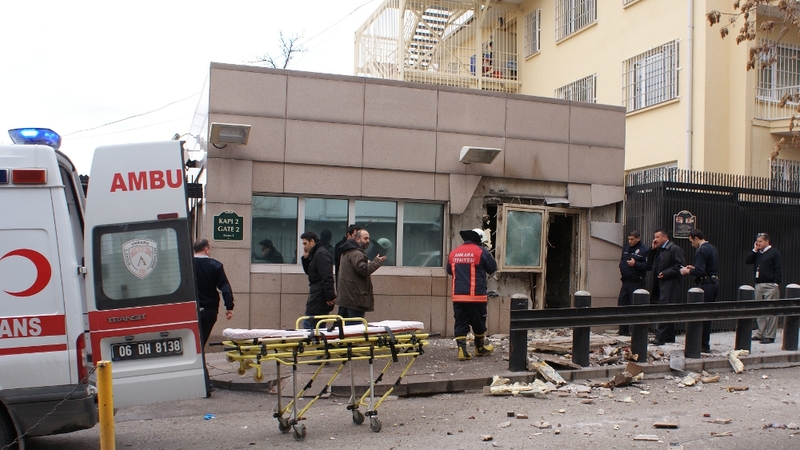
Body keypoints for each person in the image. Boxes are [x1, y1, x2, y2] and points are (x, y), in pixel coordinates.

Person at [447, 228, 498, 361]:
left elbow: (449, 270)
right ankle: (480, 348)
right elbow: (492, 268)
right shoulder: (481, 252)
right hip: (476, 296)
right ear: (479, 240)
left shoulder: (454, 253)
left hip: (458, 296)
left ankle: (462, 351)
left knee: (461, 321)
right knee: (479, 322)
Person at [679, 230, 720, 352]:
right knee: (708, 314)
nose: (692, 245)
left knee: (700, 314)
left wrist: (688, 271)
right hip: (714, 283)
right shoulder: (712, 248)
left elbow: (700, 271)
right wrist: (695, 268)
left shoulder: (701, 250)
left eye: (692, 241)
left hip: (706, 284)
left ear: (696, 238)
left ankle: (700, 344)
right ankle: (704, 343)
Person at [193, 239, 234, 348]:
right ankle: (199, 359)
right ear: (206, 249)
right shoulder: (215, 266)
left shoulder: (187, 264)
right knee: (202, 340)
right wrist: (229, 307)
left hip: (189, 309)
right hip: (208, 310)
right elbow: (225, 287)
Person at [647, 229, 685, 346]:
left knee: (664, 309)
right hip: (660, 284)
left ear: (665, 237)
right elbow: (649, 262)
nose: (655, 239)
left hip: (670, 285)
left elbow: (680, 265)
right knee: (668, 309)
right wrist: (652, 249)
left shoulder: (674, 249)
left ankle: (660, 337)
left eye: (658, 237)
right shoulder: (659, 250)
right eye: (655, 237)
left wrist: (666, 273)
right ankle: (669, 336)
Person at [337, 229, 385, 319]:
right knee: (355, 328)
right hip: (355, 298)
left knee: (347, 328)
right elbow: (364, 271)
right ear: (357, 239)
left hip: (347, 298)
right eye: (365, 238)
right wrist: (376, 262)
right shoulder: (356, 253)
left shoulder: (347, 251)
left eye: (369, 239)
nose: (368, 241)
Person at [745, 232, 782, 344]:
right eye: (757, 241)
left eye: (761, 241)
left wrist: (776, 283)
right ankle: (760, 332)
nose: (758, 243)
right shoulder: (758, 253)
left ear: (767, 241)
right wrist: (754, 250)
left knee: (770, 310)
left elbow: (778, 267)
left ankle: (770, 335)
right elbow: (747, 261)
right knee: (759, 310)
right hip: (759, 284)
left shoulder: (774, 253)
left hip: (770, 284)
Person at [300, 231, 336, 329]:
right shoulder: (316, 253)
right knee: (313, 324)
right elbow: (310, 272)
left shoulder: (320, 254)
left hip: (319, 296)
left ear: (312, 241)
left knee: (310, 325)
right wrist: (305, 258)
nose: (304, 247)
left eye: (305, 243)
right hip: (318, 295)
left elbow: (327, 277)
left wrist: (329, 297)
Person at [617, 230, 649, 336]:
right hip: (626, 281)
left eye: (632, 239)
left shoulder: (643, 250)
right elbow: (623, 261)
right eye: (629, 239)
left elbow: (648, 266)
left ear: (638, 238)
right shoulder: (626, 248)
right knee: (622, 304)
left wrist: (635, 264)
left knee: (635, 305)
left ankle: (637, 330)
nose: (630, 241)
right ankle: (623, 329)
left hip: (636, 282)